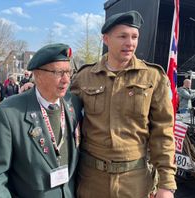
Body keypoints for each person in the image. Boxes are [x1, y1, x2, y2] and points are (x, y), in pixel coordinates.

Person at [71, 11, 176, 198]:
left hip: (134, 182)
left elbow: (163, 132)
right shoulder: (84, 77)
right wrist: (33, 90)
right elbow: (60, 108)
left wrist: (166, 184)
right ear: (106, 39)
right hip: (91, 180)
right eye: (122, 36)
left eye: (134, 37)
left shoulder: (153, 77)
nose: (130, 43)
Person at [0, 43, 82, 198]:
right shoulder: (9, 113)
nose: (66, 80)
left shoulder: (73, 103)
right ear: (37, 75)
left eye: (69, 72)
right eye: (58, 72)